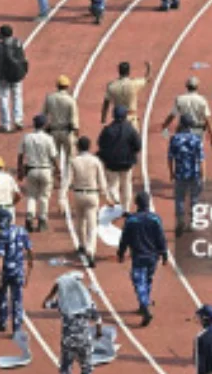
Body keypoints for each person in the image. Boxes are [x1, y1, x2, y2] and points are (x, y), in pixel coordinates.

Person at [43, 271, 101, 374]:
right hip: (84, 340)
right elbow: (98, 319)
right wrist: (99, 333)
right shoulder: (87, 302)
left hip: (68, 340)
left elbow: (45, 304)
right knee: (86, 368)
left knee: (66, 369)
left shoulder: (63, 303)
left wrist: (54, 290)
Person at [118, 190, 169, 325]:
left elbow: (125, 239)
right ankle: (143, 304)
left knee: (139, 282)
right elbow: (161, 238)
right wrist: (164, 254)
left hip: (139, 255)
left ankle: (145, 306)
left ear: (136, 204)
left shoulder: (131, 220)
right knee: (148, 279)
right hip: (153, 256)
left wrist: (121, 253)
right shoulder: (155, 219)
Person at [69, 136, 112, 266]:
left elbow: (67, 180)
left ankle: (81, 245)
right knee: (92, 225)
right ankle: (90, 250)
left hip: (78, 194)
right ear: (89, 147)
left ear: (77, 147)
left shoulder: (73, 161)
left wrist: (61, 197)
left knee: (80, 221)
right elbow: (102, 182)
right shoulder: (96, 161)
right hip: (93, 194)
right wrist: (107, 198)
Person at [0, 207, 34, 334]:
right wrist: (29, 273)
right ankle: (16, 328)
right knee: (17, 300)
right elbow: (30, 251)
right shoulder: (22, 231)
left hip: (6, 271)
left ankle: (2, 322)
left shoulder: (1, 236)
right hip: (19, 272)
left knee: (2, 297)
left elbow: (0, 257)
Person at [19, 115, 60, 232]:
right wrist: (58, 170)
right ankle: (42, 220)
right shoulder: (48, 139)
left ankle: (29, 217)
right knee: (44, 196)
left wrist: (20, 170)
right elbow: (53, 157)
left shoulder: (27, 137)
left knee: (31, 196)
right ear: (44, 125)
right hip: (46, 170)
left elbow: (20, 155)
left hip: (31, 170)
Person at [168, 115, 206, 235]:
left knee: (179, 198)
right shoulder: (196, 139)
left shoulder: (174, 139)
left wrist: (171, 172)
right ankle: (193, 222)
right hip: (194, 174)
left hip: (180, 174)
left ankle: (180, 220)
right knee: (194, 198)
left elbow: (170, 158)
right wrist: (203, 175)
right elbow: (201, 159)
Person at [99, 106, 143, 210]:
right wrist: (131, 152)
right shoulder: (130, 129)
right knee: (127, 185)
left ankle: (115, 198)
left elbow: (101, 144)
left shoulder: (108, 129)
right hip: (127, 162)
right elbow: (138, 145)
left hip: (111, 163)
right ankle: (126, 209)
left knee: (112, 184)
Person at [0, 25, 29, 132]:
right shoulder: (18, 42)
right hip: (17, 74)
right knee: (17, 96)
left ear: (1, 35)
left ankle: (5, 124)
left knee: (3, 98)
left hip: (3, 76)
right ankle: (18, 120)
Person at [43, 75, 80, 177]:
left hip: (54, 131)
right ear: (67, 86)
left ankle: (54, 176)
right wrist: (76, 134)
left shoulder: (49, 98)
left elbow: (43, 115)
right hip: (67, 132)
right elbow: (74, 120)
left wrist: (45, 129)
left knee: (54, 156)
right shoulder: (70, 100)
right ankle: (69, 177)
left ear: (57, 86)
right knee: (71, 157)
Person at [103, 61, 153, 129]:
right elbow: (148, 78)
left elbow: (106, 104)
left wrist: (103, 119)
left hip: (118, 122)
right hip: (132, 120)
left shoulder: (112, 86)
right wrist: (149, 67)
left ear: (119, 71)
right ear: (128, 72)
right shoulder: (134, 84)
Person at [164, 76, 212, 142]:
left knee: (183, 149)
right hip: (198, 130)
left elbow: (172, 116)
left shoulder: (180, 99)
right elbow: (207, 119)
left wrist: (165, 127)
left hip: (183, 130)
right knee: (196, 149)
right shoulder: (202, 100)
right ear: (197, 87)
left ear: (187, 86)